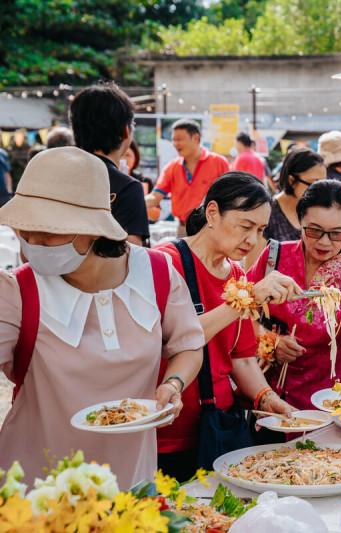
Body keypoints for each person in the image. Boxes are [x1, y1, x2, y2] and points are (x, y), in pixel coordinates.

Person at [0, 147, 204, 487]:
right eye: (24, 231)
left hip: (132, 480)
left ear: (94, 229)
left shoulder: (156, 274)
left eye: (49, 232)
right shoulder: (16, 291)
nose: (31, 244)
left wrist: (173, 384)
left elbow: (188, 345)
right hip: (34, 490)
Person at [155, 172, 299, 480]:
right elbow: (171, 341)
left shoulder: (237, 274)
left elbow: (242, 358)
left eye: (260, 230)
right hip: (168, 424)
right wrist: (245, 299)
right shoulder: (166, 262)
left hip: (219, 424)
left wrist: (267, 398)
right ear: (212, 213)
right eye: (245, 226)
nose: (252, 239)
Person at [247, 179, 341, 409]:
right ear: (299, 221)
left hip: (321, 401)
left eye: (336, 234)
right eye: (314, 230)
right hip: (264, 394)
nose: (324, 242)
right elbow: (240, 311)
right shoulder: (274, 258)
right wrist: (270, 340)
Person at [70, 82, 150, 245]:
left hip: (47, 270)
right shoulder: (127, 187)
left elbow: (28, 249)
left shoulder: (55, 174)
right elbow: (132, 254)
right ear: (125, 132)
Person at [242, 148, 327, 270]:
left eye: (323, 184)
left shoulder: (317, 213)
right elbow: (250, 269)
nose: (320, 191)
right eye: (313, 184)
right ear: (291, 180)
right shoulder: (267, 213)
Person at [147, 119, 230, 237]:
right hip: (182, 229)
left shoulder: (219, 163)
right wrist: (129, 202)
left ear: (196, 138)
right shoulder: (172, 167)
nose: (175, 143)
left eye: (179, 139)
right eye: (173, 139)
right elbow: (154, 198)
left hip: (211, 230)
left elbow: (229, 197)